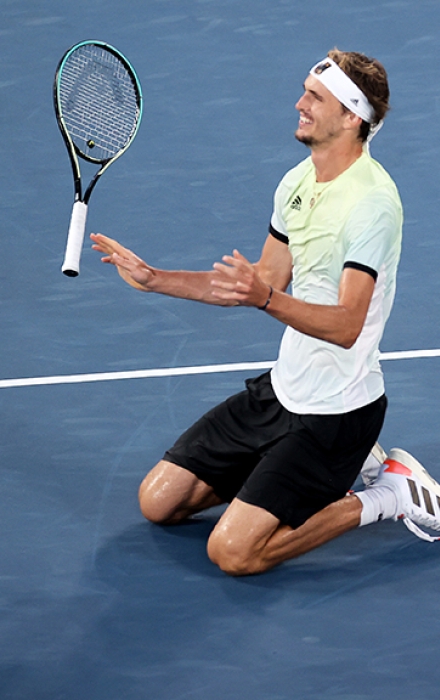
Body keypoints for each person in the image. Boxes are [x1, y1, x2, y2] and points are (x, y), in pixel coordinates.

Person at [90, 49, 440, 575]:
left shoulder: (372, 204)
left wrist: (267, 299)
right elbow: (263, 279)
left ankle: (389, 493)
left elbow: (346, 325)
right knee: (158, 502)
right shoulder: (297, 183)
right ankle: (336, 468)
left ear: (352, 116)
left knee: (233, 553)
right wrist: (154, 280)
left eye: (314, 98)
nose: (299, 104)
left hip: (338, 415)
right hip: (283, 392)